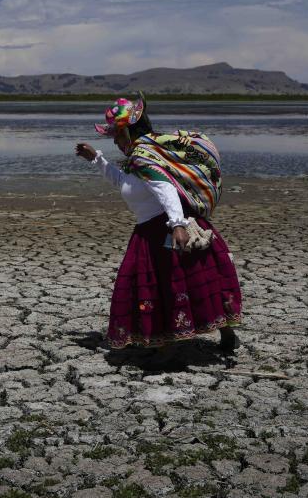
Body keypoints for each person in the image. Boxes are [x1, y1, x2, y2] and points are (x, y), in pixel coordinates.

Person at [75, 93, 242, 353]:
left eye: (118, 136)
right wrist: (96, 159)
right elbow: (126, 184)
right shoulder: (139, 158)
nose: (116, 142)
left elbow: (165, 188)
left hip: (161, 231)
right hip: (151, 230)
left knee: (173, 285)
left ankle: (173, 346)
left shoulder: (143, 156)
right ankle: (218, 334)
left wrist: (176, 224)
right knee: (193, 283)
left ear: (129, 132)